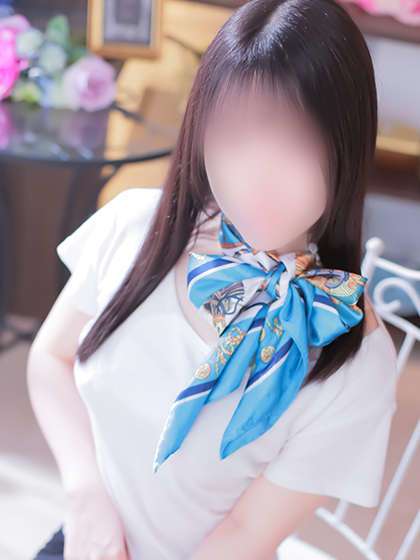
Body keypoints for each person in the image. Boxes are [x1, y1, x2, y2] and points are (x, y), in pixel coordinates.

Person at [27, 0, 399, 558]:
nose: (257, 177)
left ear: (347, 144)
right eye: (232, 137)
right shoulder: (135, 229)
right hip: (88, 534)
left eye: (296, 142)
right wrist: (86, 495)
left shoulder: (354, 357)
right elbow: (50, 361)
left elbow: (245, 535)